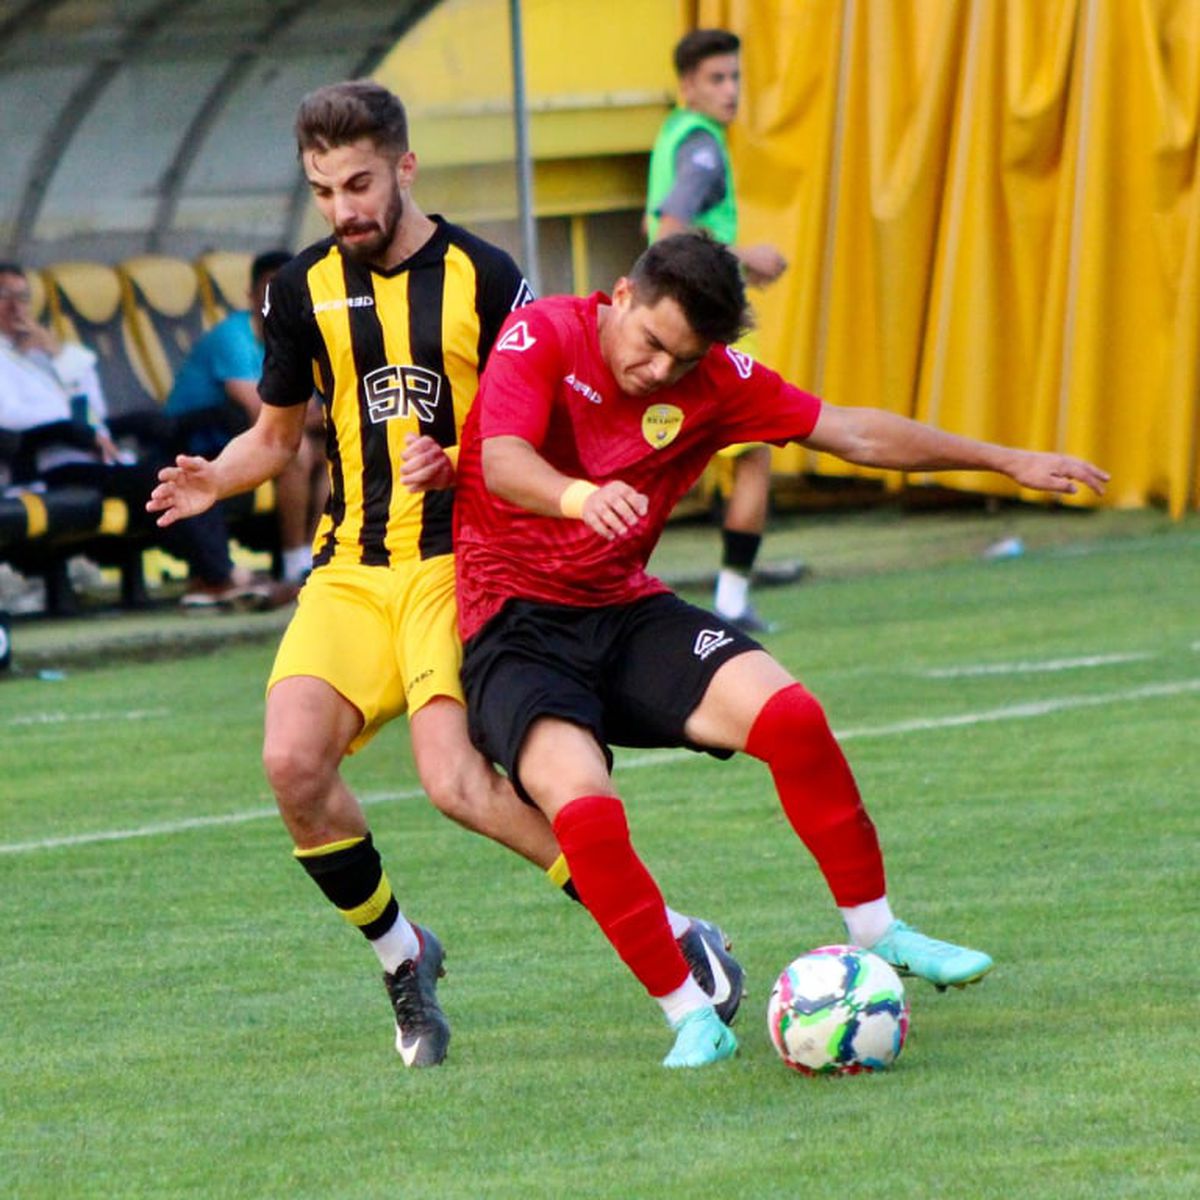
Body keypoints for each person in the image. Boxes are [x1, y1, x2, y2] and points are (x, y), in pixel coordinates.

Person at [147, 81, 743, 1070]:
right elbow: (277, 435)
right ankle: (402, 953)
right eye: (324, 190)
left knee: (458, 784)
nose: (344, 209)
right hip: (349, 571)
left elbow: (541, 414)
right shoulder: (297, 290)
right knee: (292, 765)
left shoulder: (486, 274)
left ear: (405, 167)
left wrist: (460, 455)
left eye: (361, 183)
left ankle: (668, 930)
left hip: (455, 563)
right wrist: (221, 474)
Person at [452, 231, 1110, 1068]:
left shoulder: (715, 380)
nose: (659, 373)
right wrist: (580, 496)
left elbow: (852, 434)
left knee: (791, 716)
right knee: (585, 811)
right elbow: (501, 459)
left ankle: (880, 930)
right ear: (620, 296)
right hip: (514, 630)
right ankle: (690, 1013)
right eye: (651, 343)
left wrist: (1006, 460)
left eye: (682, 361)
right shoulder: (543, 333)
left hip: (621, 609)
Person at [0, 261, 263, 609]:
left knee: (179, 474)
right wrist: (74, 429)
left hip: (96, 456)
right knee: (152, 482)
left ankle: (214, 574)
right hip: (45, 464)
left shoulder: (44, 355)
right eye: (5, 296)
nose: (17, 306)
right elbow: (10, 415)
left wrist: (56, 353)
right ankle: (219, 575)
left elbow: (93, 401)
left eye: (22, 296)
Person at [646, 27, 792, 633]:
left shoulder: (672, 135)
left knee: (656, 456)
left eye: (735, 77)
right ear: (688, 87)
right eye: (716, 79)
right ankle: (732, 598)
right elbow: (670, 230)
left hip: (668, 319)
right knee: (756, 455)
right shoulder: (701, 145)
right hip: (710, 328)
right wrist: (743, 258)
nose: (730, 90)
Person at [165, 250, 327, 590]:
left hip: (245, 432)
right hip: (197, 437)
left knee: (332, 447)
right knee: (294, 450)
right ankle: (293, 563)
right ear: (251, 294)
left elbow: (309, 409)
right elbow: (264, 413)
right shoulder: (233, 336)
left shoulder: (297, 337)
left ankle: (318, 558)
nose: (281, 298)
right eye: (271, 288)